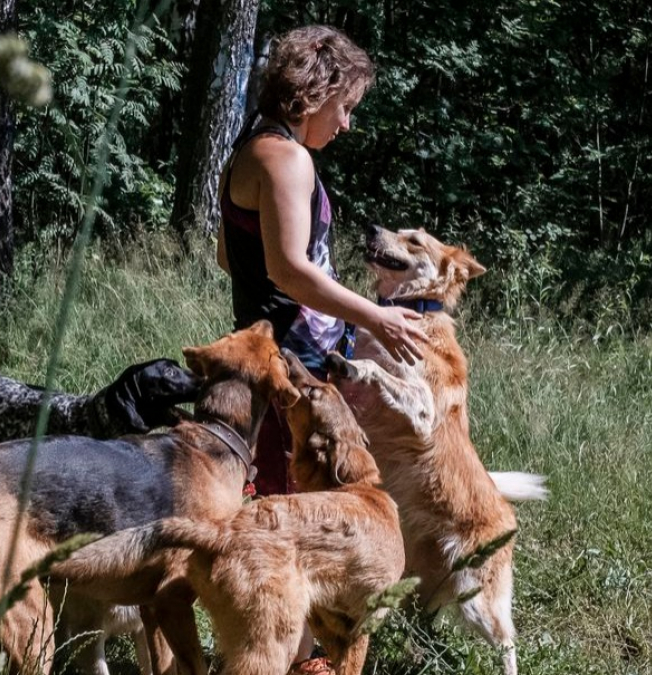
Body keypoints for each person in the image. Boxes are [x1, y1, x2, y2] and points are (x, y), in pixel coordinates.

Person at [215, 24, 427, 675]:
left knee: (294, 505)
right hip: (289, 364)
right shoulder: (284, 158)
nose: (348, 124)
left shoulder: (255, 146)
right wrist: (378, 315)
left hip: (287, 352)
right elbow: (289, 270)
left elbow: (231, 254)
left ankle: (301, 650)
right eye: (347, 107)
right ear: (316, 92)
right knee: (292, 510)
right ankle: (291, 656)